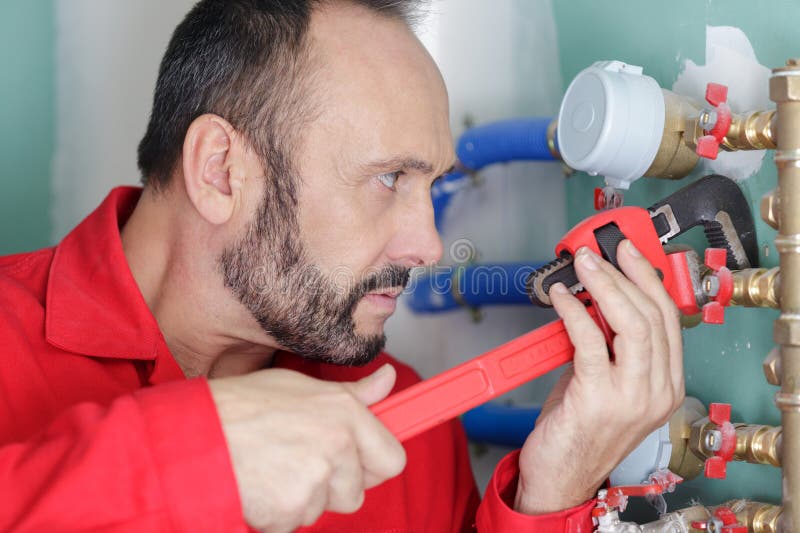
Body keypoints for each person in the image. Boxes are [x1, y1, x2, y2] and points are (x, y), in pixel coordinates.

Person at [0, 0, 684, 531]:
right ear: (220, 172)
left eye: (433, 186)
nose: (428, 246)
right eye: (389, 178)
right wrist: (204, 460)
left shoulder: (403, 425)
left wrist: (549, 494)